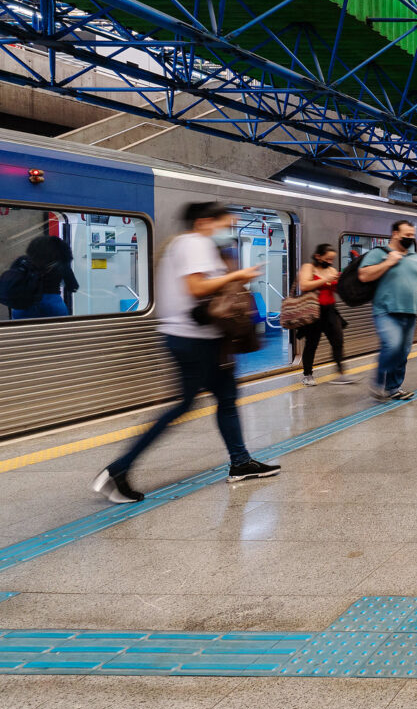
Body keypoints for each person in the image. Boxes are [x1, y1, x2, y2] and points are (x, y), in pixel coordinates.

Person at [92, 202, 280, 503]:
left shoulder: (180, 245)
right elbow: (196, 288)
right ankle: (118, 470)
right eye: (224, 225)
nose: (226, 231)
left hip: (194, 338)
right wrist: (236, 276)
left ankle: (241, 461)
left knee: (226, 398)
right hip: (196, 341)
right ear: (204, 222)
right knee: (187, 405)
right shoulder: (195, 243)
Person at [359, 219, 417, 401]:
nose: (410, 238)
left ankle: (393, 388)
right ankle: (378, 383)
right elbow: (363, 275)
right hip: (385, 311)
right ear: (395, 234)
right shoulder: (378, 253)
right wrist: (388, 263)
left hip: (410, 312)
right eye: (407, 235)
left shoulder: (416, 258)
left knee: (403, 352)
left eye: (412, 236)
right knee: (393, 344)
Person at [298, 243, 352, 385]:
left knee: (338, 341)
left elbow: (335, 290)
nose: (330, 262)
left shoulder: (331, 270)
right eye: (327, 259)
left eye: (332, 259)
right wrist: (326, 280)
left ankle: (341, 374)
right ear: (318, 256)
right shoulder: (309, 267)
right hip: (314, 311)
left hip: (330, 311)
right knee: (312, 343)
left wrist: (340, 282)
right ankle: (307, 375)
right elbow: (304, 285)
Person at [8, 235, 78, 319]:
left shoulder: (22, 261)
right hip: (52, 304)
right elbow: (73, 286)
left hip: (23, 304)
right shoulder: (61, 264)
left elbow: (10, 282)